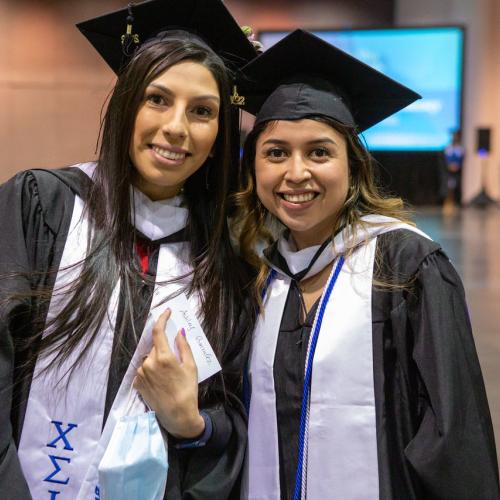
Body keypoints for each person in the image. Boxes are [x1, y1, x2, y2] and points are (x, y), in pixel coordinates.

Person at [0, 1, 258, 499]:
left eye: (202, 111)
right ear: (125, 106)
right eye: (157, 99)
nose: (177, 127)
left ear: (219, 134)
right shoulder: (42, 206)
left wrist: (192, 422)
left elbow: (228, 418)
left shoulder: (221, 264)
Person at [234, 30, 499, 499]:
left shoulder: (408, 267)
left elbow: (457, 445)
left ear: (353, 167)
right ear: (253, 170)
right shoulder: (257, 277)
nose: (296, 173)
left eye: (319, 151)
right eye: (275, 153)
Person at [442, 130, 465, 213]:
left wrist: (457, 166)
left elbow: (461, 160)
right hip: (449, 171)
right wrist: (449, 166)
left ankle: (456, 203)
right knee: (449, 187)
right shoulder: (447, 148)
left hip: (457, 171)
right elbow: (445, 160)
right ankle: (448, 203)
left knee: (456, 187)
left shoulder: (460, 148)